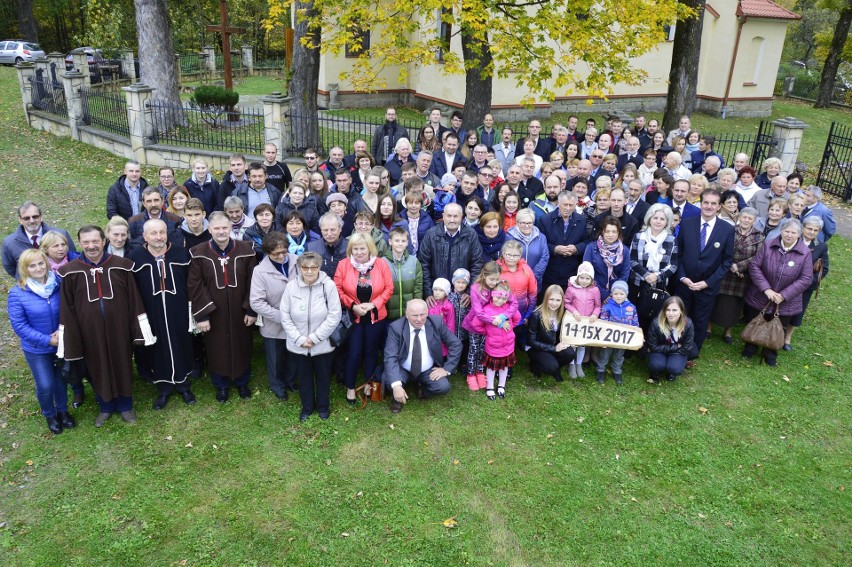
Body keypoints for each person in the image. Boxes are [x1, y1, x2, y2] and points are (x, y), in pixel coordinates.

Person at [58, 225, 154, 426]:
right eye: (86, 242)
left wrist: (138, 329)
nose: (91, 246)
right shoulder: (70, 272)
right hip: (89, 331)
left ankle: (125, 405)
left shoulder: (122, 265)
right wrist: (72, 337)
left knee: (122, 363)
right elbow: (67, 307)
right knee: (97, 366)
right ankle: (106, 406)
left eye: (95, 241)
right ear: (80, 244)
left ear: (104, 241)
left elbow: (134, 299)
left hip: (119, 328)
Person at [188, 212, 258, 402]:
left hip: (239, 310)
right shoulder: (198, 253)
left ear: (230, 228)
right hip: (214, 311)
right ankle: (221, 385)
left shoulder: (246, 249)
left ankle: (242, 382)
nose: (221, 232)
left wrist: (251, 309)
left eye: (224, 228)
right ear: (209, 229)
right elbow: (195, 285)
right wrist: (202, 315)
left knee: (242, 344)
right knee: (216, 347)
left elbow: (254, 281)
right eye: (216, 228)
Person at [129, 219, 197, 410]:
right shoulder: (135, 258)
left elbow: (191, 283)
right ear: (145, 236)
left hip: (178, 310)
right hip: (152, 311)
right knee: (157, 348)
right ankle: (164, 387)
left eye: (162, 232)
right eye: (153, 233)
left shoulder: (181, 253)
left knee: (181, 343)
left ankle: (184, 385)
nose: (158, 237)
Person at [8, 249, 74, 434]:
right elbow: (20, 326)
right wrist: (47, 340)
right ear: (25, 268)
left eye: (40, 263)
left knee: (61, 379)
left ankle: (62, 411)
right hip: (37, 348)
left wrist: (62, 334)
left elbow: (71, 309)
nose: (38, 268)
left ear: (47, 263)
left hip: (60, 343)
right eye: (32, 265)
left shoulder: (59, 284)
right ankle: (50, 414)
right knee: (46, 384)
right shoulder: (18, 293)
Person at [742, 219, 813, 367]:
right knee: (756, 320)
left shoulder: (805, 253)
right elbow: (754, 266)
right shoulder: (768, 245)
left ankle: (770, 354)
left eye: (793, 233)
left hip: (787, 300)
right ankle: (750, 348)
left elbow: (806, 278)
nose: (789, 235)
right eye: (786, 231)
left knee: (778, 326)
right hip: (761, 294)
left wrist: (784, 295)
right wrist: (766, 289)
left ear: (799, 235)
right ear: (781, 231)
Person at [280, 251, 341, 421]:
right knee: (304, 378)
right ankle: (307, 407)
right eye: (305, 267)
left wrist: (314, 338)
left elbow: (334, 315)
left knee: (323, 377)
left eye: (313, 267)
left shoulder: (328, 286)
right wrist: (299, 339)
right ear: (299, 268)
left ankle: (323, 407)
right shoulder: (291, 287)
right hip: (298, 345)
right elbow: (284, 315)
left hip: (322, 344)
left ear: (319, 268)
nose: (309, 271)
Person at [334, 233, 394, 404]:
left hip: (376, 317)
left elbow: (389, 288)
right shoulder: (343, 265)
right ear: (350, 250)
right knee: (354, 353)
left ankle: (368, 384)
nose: (359, 252)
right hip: (354, 318)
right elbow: (337, 289)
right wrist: (353, 305)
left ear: (370, 249)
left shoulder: (381, 264)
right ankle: (350, 387)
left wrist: (373, 304)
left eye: (362, 248)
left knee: (371, 352)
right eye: (355, 249)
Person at [675, 188, 735, 356]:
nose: (709, 206)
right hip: (684, 284)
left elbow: (727, 260)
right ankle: (675, 349)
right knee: (680, 318)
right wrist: (683, 277)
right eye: (706, 202)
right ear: (701, 203)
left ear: (719, 207)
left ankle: (692, 353)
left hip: (707, 287)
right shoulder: (687, 224)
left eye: (713, 203)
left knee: (700, 321)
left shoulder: (727, 229)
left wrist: (708, 282)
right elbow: (678, 254)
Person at [383, 299, 461, 413]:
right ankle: (397, 397)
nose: (419, 319)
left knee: (443, 387)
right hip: (403, 368)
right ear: (407, 315)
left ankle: (423, 390)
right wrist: (396, 386)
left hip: (427, 369)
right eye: (414, 315)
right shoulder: (396, 328)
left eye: (422, 315)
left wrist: (446, 369)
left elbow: (456, 343)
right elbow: (390, 357)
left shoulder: (437, 322)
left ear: (427, 313)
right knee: (390, 381)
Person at [248, 232, 296, 401]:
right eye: (277, 254)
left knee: (293, 354)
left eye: (284, 252)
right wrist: (281, 316)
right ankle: (277, 385)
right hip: (274, 323)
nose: (282, 256)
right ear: (268, 252)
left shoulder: (296, 261)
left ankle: (290, 380)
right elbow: (256, 302)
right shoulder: (260, 271)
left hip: (296, 321)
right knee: (275, 358)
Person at [709, 207, 763, 344]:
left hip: (742, 277)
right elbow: (720, 248)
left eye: (750, 218)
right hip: (724, 272)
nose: (746, 220)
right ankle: (709, 327)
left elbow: (759, 256)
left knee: (736, 304)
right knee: (716, 299)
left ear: (754, 221)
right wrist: (730, 265)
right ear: (739, 217)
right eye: (744, 217)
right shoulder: (729, 230)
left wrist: (739, 267)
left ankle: (728, 330)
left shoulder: (759, 236)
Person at [461, 262, 518, 390]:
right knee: (474, 349)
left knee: (484, 349)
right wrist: (498, 322)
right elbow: (479, 312)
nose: (494, 282)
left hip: (492, 329)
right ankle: (471, 374)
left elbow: (514, 304)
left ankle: (480, 372)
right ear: (484, 275)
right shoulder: (476, 288)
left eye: (497, 279)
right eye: (492, 279)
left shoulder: (500, 285)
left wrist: (503, 317)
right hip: (476, 325)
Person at [418, 203, 483, 302]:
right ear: (443, 216)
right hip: (437, 293)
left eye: (455, 216)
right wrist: (428, 292)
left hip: (462, 294)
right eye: (449, 216)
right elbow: (423, 264)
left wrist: (470, 291)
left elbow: (477, 264)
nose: (452, 220)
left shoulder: (471, 235)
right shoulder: (431, 234)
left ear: (461, 217)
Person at [629, 204, 679, 329]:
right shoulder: (638, 237)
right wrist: (646, 275)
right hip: (637, 283)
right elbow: (631, 260)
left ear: (667, 222)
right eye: (655, 218)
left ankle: (648, 345)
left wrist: (657, 276)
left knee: (652, 319)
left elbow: (673, 265)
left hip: (658, 286)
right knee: (634, 316)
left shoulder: (671, 240)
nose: (658, 221)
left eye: (662, 219)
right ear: (649, 219)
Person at [784, 216, 829, 350]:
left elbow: (824, 269)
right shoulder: (793, 240)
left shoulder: (821, 247)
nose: (812, 232)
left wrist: (808, 283)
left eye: (816, 230)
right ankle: (776, 330)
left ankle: (787, 338)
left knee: (798, 312)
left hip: (805, 287)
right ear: (802, 228)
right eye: (809, 228)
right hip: (786, 282)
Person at [4, 202, 76, 278]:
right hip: (27, 287)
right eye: (26, 218)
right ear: (20, 220)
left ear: (41, 217)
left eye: (35, 217)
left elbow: (72, 257)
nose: (31, 221)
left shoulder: (61, 234)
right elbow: (10, 268)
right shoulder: (9, 243)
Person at [536, 191, 588, 293]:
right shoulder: (545, 220)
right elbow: (540, 244)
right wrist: (555, 249)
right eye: (565, 204)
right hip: (550, 270)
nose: (568, 208)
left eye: (571, 205)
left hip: (571, 271)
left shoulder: (581, 220)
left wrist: (576, 249)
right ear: (558, 203)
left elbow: (586, 242)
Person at [477, 281, 521, 400]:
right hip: (493, 346)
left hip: (508, 345)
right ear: (492, 295)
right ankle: (490, 387)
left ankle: (502, 385)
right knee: (491, 367)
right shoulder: (486, 310)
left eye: (503, 299)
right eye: (497, 297)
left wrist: (510, 327)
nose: (500, 301)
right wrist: (488, 331)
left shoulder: (509, 309)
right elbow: (476, 324)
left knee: (504, 366)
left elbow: (517, 318)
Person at [527, 285, 576, 383]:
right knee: (551, 367)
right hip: (537, 348)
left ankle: (555, 367)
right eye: (551, 299)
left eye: (558, 300)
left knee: (570, 353)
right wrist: (554, 349)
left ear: (562, 300)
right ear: (546, 299)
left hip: (554, 345)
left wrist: (571, 341)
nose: (554, 303)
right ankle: (535, 365)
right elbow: (531, 341)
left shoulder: (563, 314)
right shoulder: (536, 315)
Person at [563, 261, 602, 379]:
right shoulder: (571, 289)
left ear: (591, 279)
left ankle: (579, 364)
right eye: (582, 277)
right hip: (575, 321)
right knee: (573, 344)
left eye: (587, 278)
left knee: (582, 345)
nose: (584, 281)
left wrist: (595, 315)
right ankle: (571, 364)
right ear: (578, 277)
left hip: (587, 323)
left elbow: (598, 306)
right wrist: (574, 311)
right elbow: (567, 302)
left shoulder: (595, 290)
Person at [595, 280, 639, 385]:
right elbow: (603, 323)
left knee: (619, 356)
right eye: (615, 294)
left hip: (623, 339)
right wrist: (602, 339)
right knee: (604, 355)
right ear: (611, 294)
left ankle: (617, 370)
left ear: (626, 294)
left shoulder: (631, 308)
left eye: (621, 294)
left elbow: (635, 323)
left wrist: (637, 335)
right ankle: (600, 370)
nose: (618, 296)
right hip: (608, 338)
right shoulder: (607, 307)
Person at [646, 296, 695, 383]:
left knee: (675, 368)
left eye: (674, 310)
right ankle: (655, 371)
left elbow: (686, 348)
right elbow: (653, 346)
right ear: (664, 311)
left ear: (681, 311)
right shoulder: (656, 323)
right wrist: (676, 346)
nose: (671, 313)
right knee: (656, 365)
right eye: (668, 310)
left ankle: (671, 371)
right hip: (660, 351)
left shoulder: (688, 324)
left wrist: (674, 349)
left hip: (677, 352)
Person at [584, 217, 631, 301]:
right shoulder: (591, 248)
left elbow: (624, 275)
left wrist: (614, 294)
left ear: (618, 233)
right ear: (602, 232)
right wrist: (604, 294)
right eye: (607, 231)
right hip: (593, 292)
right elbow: (587, 273)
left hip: (617, 295)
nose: (610, 235)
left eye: (614, 232)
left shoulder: (625, 251)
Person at [382, 227, 423, 321]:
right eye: (396, 240)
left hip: (408, 314)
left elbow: (418, 288)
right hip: (388, 315)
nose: (400, 244)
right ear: (390, 241)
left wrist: (415, 309)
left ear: (407, 243)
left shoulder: (414, 261)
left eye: (403, 241)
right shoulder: (382, 262)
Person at [507, 208, 549, 289]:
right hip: (513, 282)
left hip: (534, 280)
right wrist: (518, 277)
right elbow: (506, 257)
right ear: (517, 223)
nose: (526, 225)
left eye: (529, 223)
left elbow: (544, 257)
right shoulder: (509, 237)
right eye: (523, 222)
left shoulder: (541, 237)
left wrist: (533, 276)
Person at [307, 212, 348, 278]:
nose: (329, 234)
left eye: (333, 230)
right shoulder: (311, 248)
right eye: (325, 230)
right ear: (321, 230)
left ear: (340, 229)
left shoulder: (350, 247)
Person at [427, 278, 456, 356]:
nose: (437, 293)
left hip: (443, 336)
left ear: (446, 293)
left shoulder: (449, 306)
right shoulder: (429, 304)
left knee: (442, 354)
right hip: (430, 335)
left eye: (441, 290)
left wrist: (448, 339)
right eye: (435, 289)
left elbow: (451, 324)